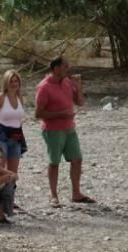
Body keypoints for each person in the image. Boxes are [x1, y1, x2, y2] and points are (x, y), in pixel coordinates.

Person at [34, 56, 95, 208]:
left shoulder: (67, 82)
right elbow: (38, 113)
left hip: (69, 128)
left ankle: (76, 193)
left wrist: (78, 87)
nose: (68, 69)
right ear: (56, 68)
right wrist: (60, 114)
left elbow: (79, 102)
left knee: (77, 159)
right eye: (65, 66)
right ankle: (53, 195)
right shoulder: (44, 87)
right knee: (54, 162)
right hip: (53, 130)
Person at [0, 69, 27, 215]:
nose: (14, 84)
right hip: (2, 135)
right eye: (11, 81)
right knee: (0, 171)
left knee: (12, 172)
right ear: (6, 83)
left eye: (16, 81)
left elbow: (19, 120)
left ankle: (9, 203)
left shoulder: (20, 98)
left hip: (16, 137)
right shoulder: (0, 98)